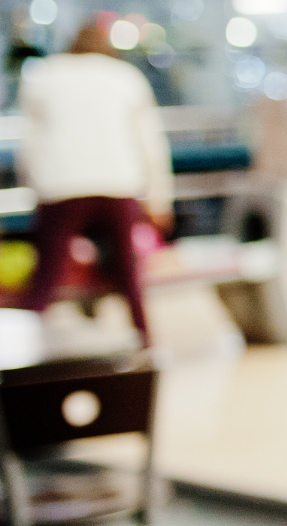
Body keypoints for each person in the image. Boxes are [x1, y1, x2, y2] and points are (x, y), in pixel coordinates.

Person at [16, 23, 172, 344]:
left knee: (46, 278)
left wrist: (35, 189)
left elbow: (28, 143)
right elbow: (150, 145)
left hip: (61, 187)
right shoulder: (125, 77)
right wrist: (159, 200)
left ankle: (23, 352)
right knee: (128, 277)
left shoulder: (45, 75)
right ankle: (145, 346)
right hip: (117, 185)